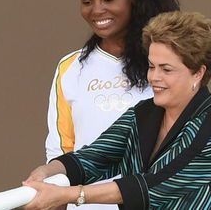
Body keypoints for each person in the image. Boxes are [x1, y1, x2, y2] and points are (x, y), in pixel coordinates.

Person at [24, 11, 211, 209]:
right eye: (151, 66)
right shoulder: (143, 114)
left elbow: (153, 186)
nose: (154, 77)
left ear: (198, 73)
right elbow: (93, 157)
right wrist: (46, 172)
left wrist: (67, 195)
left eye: (166, 69)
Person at [45, 0, 179, 208]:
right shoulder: (70, 69)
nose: (96, 10)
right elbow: (61, 150)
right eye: (86, 1)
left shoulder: (167, 65)